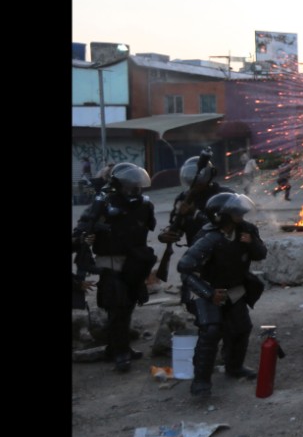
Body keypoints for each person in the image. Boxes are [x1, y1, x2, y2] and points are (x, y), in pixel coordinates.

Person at [176, 193, 267, 398]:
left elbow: (261, 254)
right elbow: (185, 268)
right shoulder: (210, 238)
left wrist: (251, 243)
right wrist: (208, 294)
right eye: (235, 212)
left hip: (233, 288)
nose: (240, 215)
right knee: (210, 332)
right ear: (222, 216)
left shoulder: (246, 230)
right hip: (208, 289)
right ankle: (201, 382)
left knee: (242, 328)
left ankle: (234, 367)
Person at [71, 162, 157, 373]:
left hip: (134, 262)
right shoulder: (102, 203)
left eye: (137, 184)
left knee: (128, 306)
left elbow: (145, 231)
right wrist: (86, 237)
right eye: (130, 184)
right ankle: (120, 353)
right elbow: (79, 232)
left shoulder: (145, 205)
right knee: (117, 308)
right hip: (110, 261)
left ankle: (118, 347)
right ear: (119, 184)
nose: (134, 188)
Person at [158, 153, 234, 248]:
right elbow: (176, 226)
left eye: (199, 181)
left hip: (223, 251)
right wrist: (165, 235)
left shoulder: (224, 195)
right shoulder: (184, 198)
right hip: (196, 253)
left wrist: (195, 213)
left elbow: (226, 225)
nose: (194, 185)